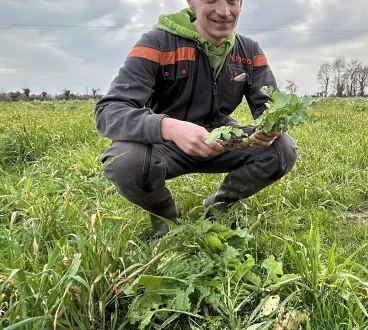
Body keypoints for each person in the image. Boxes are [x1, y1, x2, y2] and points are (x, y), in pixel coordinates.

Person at [94, 0, 298, 238]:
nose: (224, 12)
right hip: (164, 143)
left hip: (221, 139)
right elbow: (109, 111)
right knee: (123, 161)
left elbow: (269, 108)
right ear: (192, 1)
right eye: (211, 0)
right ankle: (166, 217)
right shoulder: (157, 43)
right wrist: (168, 127)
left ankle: (219, 207)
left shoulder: (249, 52)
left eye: (232, 1)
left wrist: (271, 127)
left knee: (282, 149)